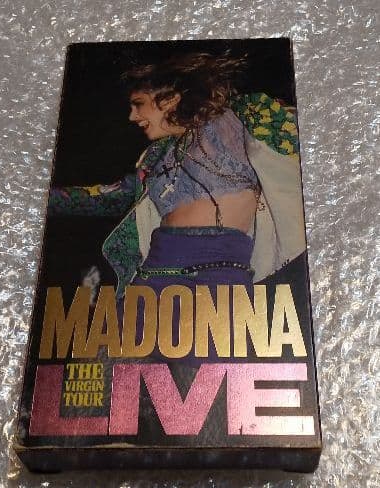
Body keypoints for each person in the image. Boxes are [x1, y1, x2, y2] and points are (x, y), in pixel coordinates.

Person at [48, 52, 306, 313]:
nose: (132, 116)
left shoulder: (238, 120)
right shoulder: (155, 158)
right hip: (152, 277)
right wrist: (41, 200)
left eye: (138, 104)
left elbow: (303, 137)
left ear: (170, 98)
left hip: (218, 277)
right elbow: (104, 197)